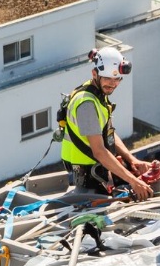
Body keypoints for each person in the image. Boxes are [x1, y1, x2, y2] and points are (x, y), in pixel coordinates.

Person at [60, 47, 153, 200]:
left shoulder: (98, 94)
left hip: (98, 169)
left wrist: (132, 160)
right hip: (88, 175)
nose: (113, 84)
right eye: (108, 78)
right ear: (94, 74)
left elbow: (108, 133)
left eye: (117, 79)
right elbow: (99, 151)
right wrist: (134, 181)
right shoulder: (87, 104)